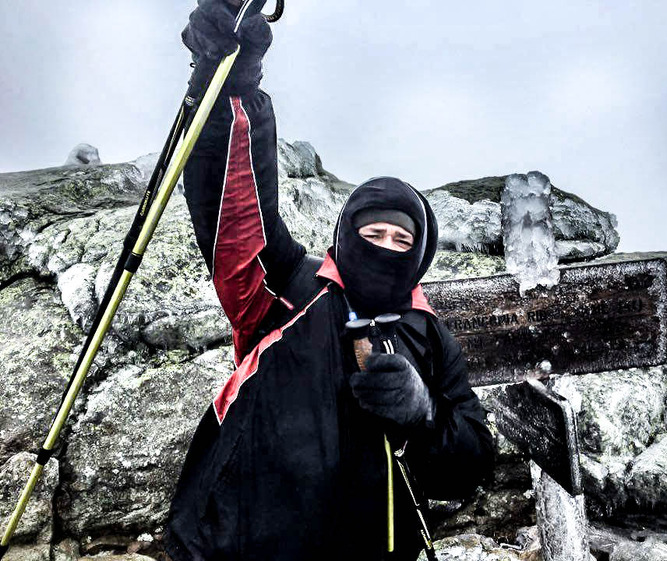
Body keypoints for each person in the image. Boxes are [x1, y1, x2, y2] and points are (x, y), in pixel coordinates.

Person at [164, 1, 494, 560]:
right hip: (241, 547)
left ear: (421, 254)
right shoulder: (287, 287)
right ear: (345, 233)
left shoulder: (431, 336)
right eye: (374, 232)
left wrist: (425, 416)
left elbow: (472, 462)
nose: (386, 248)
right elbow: (236, 203)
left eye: (402, 240)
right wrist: (231, 81)